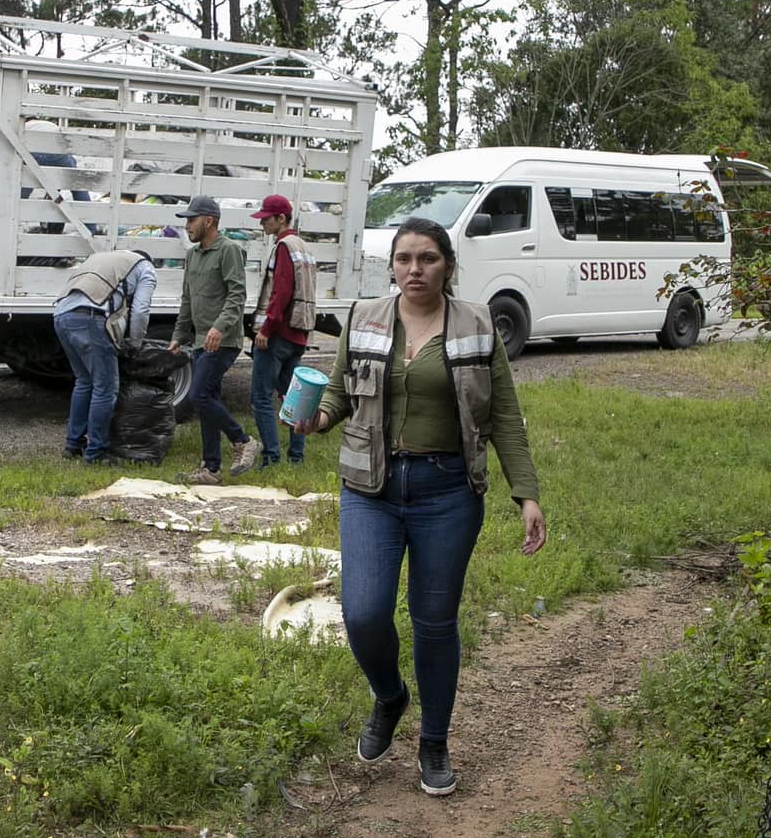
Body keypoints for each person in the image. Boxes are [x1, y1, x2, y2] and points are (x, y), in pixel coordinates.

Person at [293, 215, 547, 796]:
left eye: (427, 259)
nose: (414, 269)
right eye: (404, 258)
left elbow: (504, 414)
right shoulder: (366, 317)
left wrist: (526, 493)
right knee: (362, 612)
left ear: (448, 266)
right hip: (371, 491)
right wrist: (321, 417)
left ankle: (434, 740)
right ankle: (390, 696)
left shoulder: (477, 325)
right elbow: (336, 390)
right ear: (392, 266)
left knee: (434, 624)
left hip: (448, 493)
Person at [168, 194, 261, 482]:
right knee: (209, 398)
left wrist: (219, 328)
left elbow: (237, 295)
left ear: (209, 221)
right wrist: (178, 335)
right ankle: (211, 468)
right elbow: (188, 299)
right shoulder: (192, 255)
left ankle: (243, 441)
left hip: (224, 340)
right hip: (199, 340)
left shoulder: (229, 250)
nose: (187, 226)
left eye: (192, 220)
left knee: (198, 394)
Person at [52, 248, 157, 464]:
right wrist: (135, 344)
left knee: (84, 382)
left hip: (61, 316)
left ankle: (74, 445)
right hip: (91, 318)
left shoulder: (104, 258)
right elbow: (140, 310)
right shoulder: (145, 268)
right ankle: (96, 453)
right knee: (106, 388)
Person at [248, 193, 315, 468]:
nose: (263, 224)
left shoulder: (284, 246)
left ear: (281, 218)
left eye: (266, 219)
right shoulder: (303, 246)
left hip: (278, 335)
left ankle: (271, 457)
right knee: (294, 400)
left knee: (261, 397)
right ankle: (296, 458)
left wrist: (266, 328)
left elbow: (281, 292)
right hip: (299, 333)